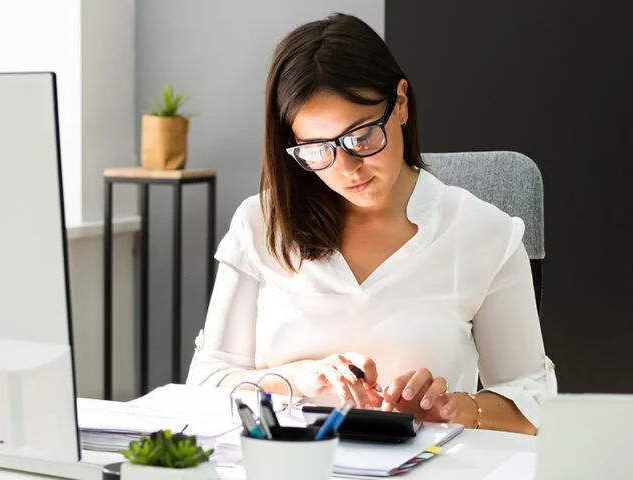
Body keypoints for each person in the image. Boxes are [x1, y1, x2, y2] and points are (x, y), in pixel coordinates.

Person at [184, 13, 555, 434]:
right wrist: (298, 378)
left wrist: (454, 409)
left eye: (360, 138)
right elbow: (205, 383)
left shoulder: (484, 234)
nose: (347, 170)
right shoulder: (260, 225)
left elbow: (535, 404)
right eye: (316, 150)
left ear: (400, 103)